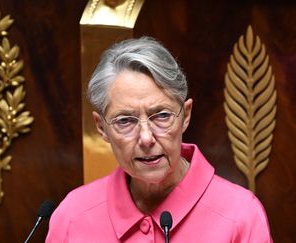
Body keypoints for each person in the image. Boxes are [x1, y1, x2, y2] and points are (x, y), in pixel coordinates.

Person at [46, 37, 272, 242]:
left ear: (186, 115)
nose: (146, 138)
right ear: (101, 127)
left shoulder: (241, 215)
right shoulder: (72, 215)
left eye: (162, 116)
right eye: (125, 121)